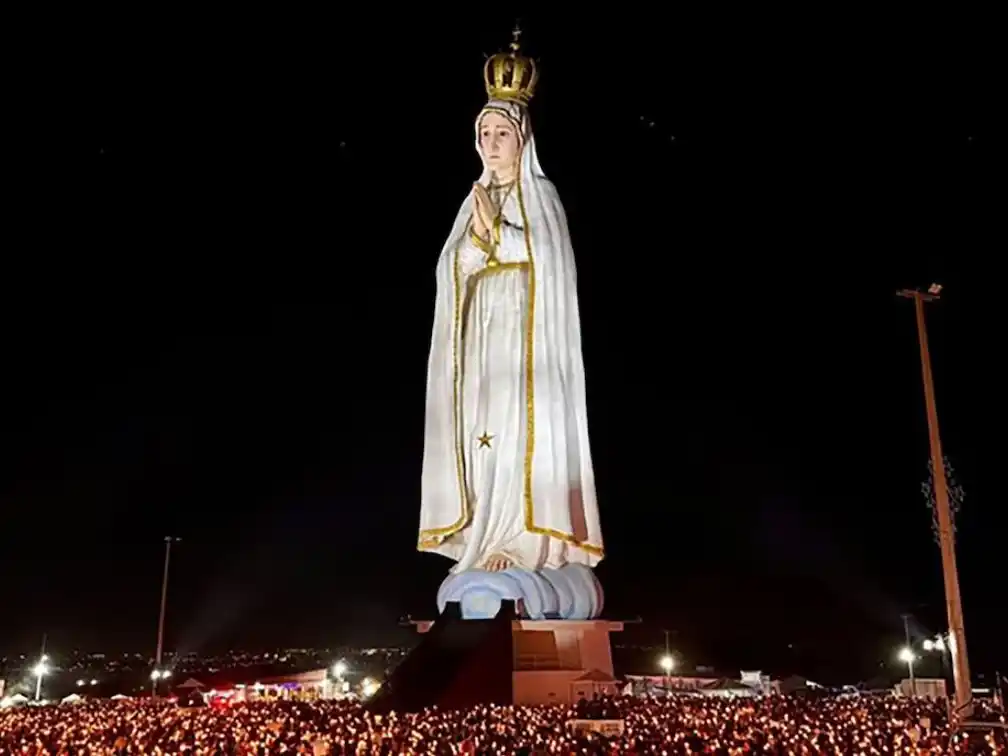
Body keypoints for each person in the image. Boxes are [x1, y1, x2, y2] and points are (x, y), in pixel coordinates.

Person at [418, 38, 604, 580]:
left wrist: (496, 232)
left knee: (521, 433)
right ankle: (484, 533)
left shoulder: (541, 195)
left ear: (522, 139)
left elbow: (548, 262)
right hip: (483, 342)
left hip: (526, 344)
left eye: (502, 133)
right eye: (485, 134)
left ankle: (523, 540)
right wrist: (476, 240)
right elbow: (450, 269)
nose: (492, 143)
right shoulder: (471, 199)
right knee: (483, 436)